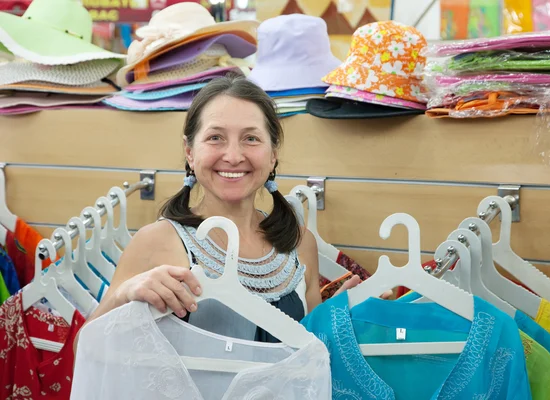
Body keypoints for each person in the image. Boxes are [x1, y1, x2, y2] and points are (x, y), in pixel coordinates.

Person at [74, 74, 362, 348]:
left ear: (273, 154)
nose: (234, 156)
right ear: (189, 151)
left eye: (251, 138)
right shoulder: (156, 242)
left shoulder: (301, 244)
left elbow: (311, 361)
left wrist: (338, 321)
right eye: (215, 138)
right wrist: (124, 295)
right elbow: (84, 349)